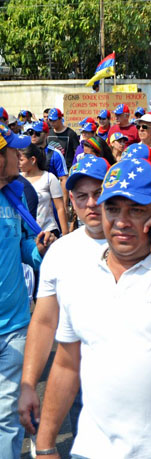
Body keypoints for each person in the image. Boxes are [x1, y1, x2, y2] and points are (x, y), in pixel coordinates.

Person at [34, 158, 151, 458]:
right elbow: (67, 363)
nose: (121, 221)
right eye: (113, 209)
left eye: (135, 210)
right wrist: (45, 445)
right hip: (93, 450)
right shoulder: (78, 272)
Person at [18, 155, 109, 441]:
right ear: (70, 198)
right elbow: (44, 322)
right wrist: (29, 382)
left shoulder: (142, 243)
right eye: (82, 196)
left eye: (98, 193)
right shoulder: (60, 252)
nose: (91, 204)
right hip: (79, 376)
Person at [0, 124, 56, 459]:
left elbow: (20, 248)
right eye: (13, 152)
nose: (21, 156)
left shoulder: (16, 193)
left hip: (15, 327)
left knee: (7, 418)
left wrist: (36, 250)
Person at [19, 145, 69, 237]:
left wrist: (65, 234)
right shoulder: (17, 179)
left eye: (21, 160)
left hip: (48, 232)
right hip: (26, 234)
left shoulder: (49, 178)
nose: (18, 163)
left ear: (33, 160)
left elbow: (60, 208)